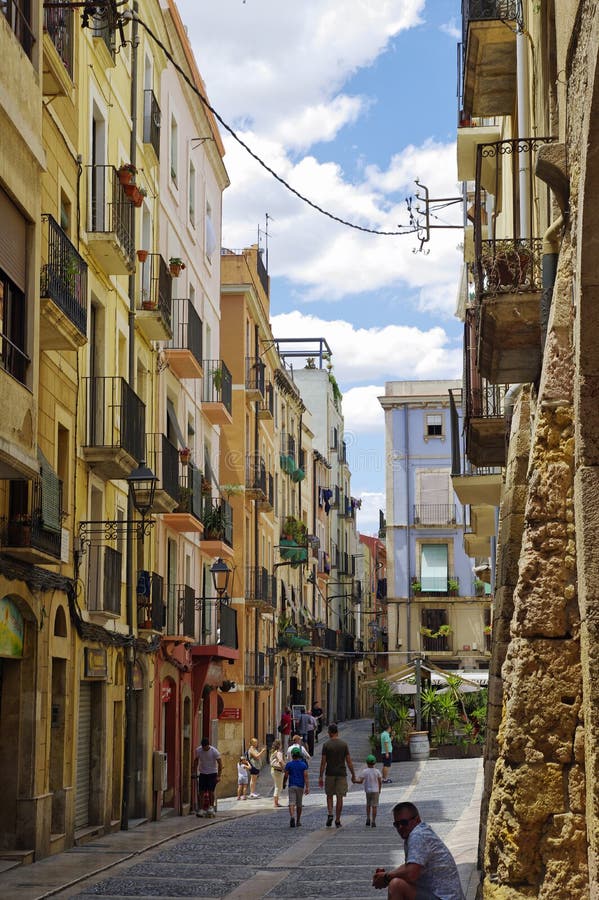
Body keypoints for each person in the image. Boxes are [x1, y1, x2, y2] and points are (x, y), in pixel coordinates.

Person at [372, 801, 465, 899]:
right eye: (397, 824)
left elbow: (411, 873)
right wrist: (387, 876)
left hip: (444, 897)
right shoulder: (419, 832)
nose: (400, 827)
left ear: (417, 819)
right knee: (398, 880)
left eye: (404, 823)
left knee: (396, 885)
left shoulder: (418, 835)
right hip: (438, 895)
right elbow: (410, 865)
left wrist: (387, 877)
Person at [318, 722, 356, 828]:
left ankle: (330, 813)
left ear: (329, 732)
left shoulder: (326, 745)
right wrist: (353, 774)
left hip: (330, 773)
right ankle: (338, 819)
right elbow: (349, 761)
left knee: (329, 795)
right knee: (340, 797)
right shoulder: (344, 744)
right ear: (337, 732)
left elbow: (323, 762)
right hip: (341, 774)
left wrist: (320, 776)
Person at [194, 736, 222, 817]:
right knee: (201, 791)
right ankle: (201, 809)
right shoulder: (199, 750)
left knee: (211, 791)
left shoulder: (214, 752)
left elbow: (220, 764)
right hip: (203, 773)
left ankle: (211, 807)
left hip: (212, 773)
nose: (204, 749)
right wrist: (194, 771)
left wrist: (219, 776)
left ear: (208, 745)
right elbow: (196, 760)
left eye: (205, 747)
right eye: (203, 747)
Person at [283, 746, 310, 828]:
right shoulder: (303, 765)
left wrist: (284, 783)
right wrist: (307, 787)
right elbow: (305, 776)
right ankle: (298, 821)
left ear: (292, 755)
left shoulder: (289, 764)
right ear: (299, 755)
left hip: (292, 785)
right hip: (300, 786)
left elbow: (286, 775)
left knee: (291, 802)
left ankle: (292, 817)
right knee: (299, 804)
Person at [354, 753, 383, 827]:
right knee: (374, 806)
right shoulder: (377, 771)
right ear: (375, 763)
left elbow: (360, 781)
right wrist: (379, 789)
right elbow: (380, 781)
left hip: (368, 791)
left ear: (367, 763)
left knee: (368, 805)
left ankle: (368, 818)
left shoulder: (365, 771)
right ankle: (373, 821)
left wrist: (354, 781)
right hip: (375, 790)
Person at [269, 738, 286, 808]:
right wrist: (284, 767)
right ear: (279, 745)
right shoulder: (279, 752)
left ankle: (276, 802)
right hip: (278, 771)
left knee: (278, 786)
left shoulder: (273, 752)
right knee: (278, 787)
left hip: (273, 770)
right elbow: (280, 760)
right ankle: (276, 803)